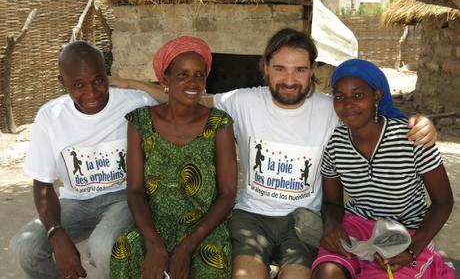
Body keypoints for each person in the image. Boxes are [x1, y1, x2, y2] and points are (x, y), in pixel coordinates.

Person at [110, 28, 437, 279]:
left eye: (300, 70)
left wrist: (421, 124)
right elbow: (192, 97)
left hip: (304, 220)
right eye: (280, 68)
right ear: (265, 68)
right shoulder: (243, 101)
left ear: (312, 71)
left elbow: (374, 114)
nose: (290, 80)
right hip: (252, 217)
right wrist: (130, 83)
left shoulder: (331, 107)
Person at [10, 41, 156, 279]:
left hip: (126, 197)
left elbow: (179, 103)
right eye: (78, 84)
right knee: (24, 249)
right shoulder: (51, 117)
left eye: (99, 80)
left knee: (103, 247)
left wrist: (134, 83)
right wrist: (56, 234)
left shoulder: (135, 103)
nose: (91, 93)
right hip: (76, 203)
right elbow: (43, 184)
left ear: (106, 74)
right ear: (62, 83)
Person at [311, 59, 454, 279]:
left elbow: (443, 202)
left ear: (376, 96)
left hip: (406, 233)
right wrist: (330, 225)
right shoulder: (336, 143)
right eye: (340, 97)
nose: (348, 104)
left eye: (358, 95)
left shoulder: (411, 138)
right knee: (326, 273)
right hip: (356, 226)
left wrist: (412, 250)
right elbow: (332, 203)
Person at [109, 36, 237, 279]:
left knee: (211, 265)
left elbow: (228, 194)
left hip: (204, 228)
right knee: (125, 251)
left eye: (200, 75)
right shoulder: (140, 122)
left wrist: (188, 246)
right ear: (164, 79)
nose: (193, 82)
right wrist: (154, 244)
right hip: (153, 223)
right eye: (183, 75)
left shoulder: (219, 123)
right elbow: (135, 191)